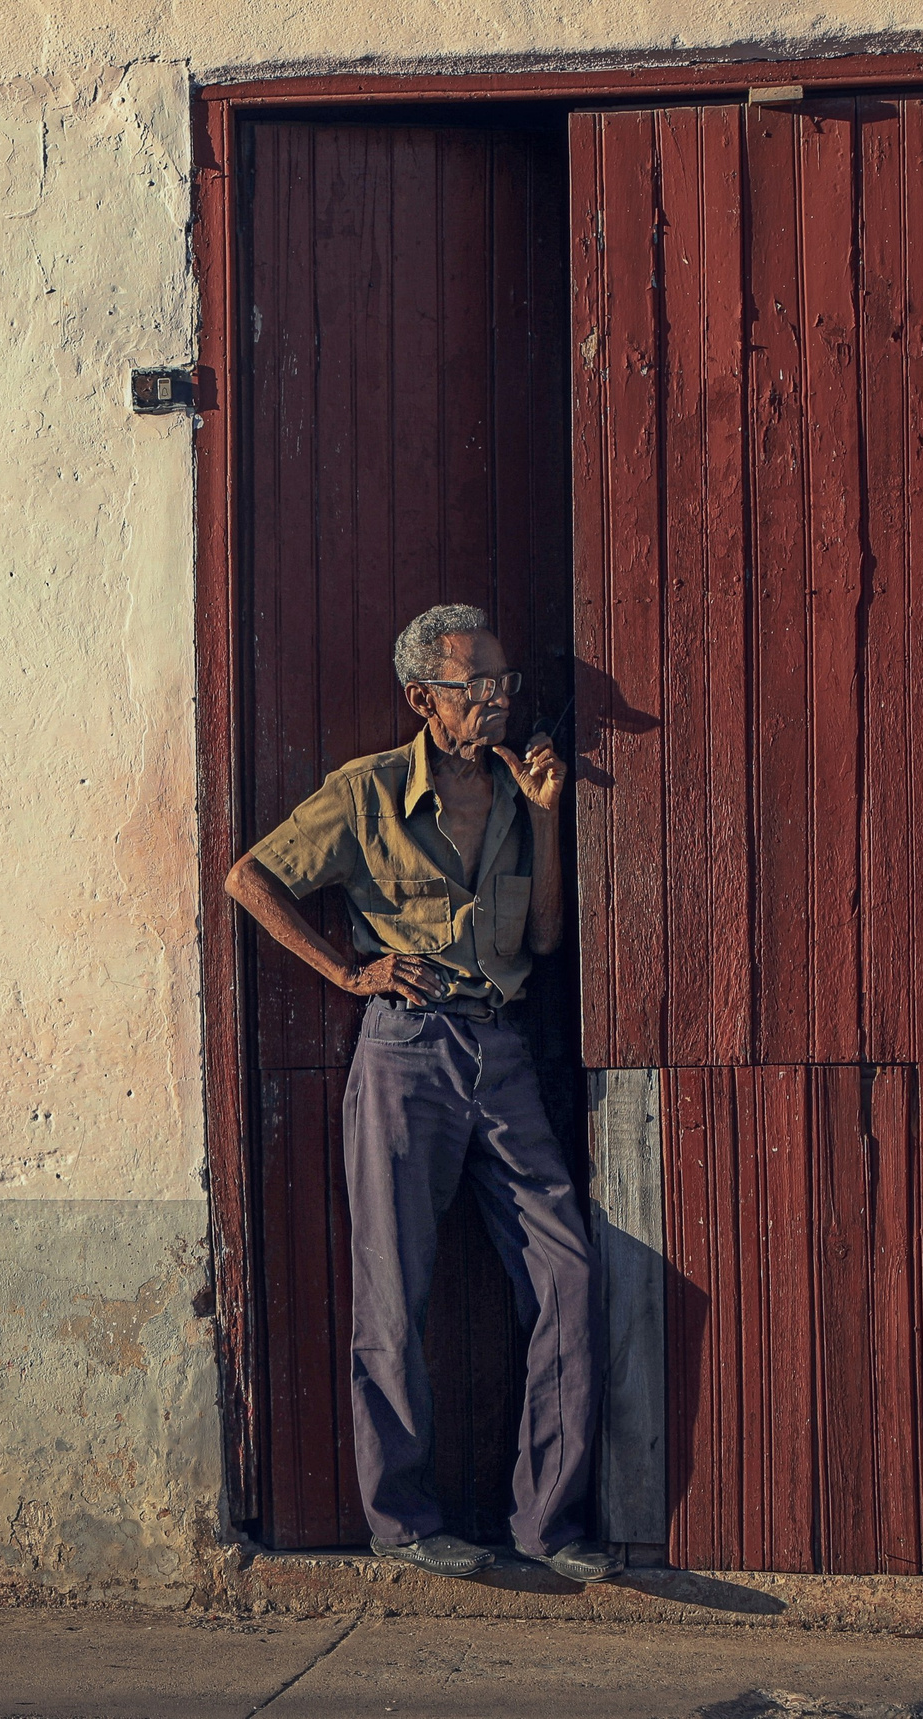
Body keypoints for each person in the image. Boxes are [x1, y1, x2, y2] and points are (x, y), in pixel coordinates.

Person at [223, 603, 619, 1583]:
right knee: (394, 1288)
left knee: (567, 1275)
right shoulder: (365, 795)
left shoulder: (518, 792)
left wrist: (542, 818)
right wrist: (346, 974)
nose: (494, 701)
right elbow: (250, 878)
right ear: (421, 699)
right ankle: (401, 1520)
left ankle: (547, 1526)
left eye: (501, 684)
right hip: (406, 1051)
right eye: (473, 687)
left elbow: (541, 939)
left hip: (504, 1049)